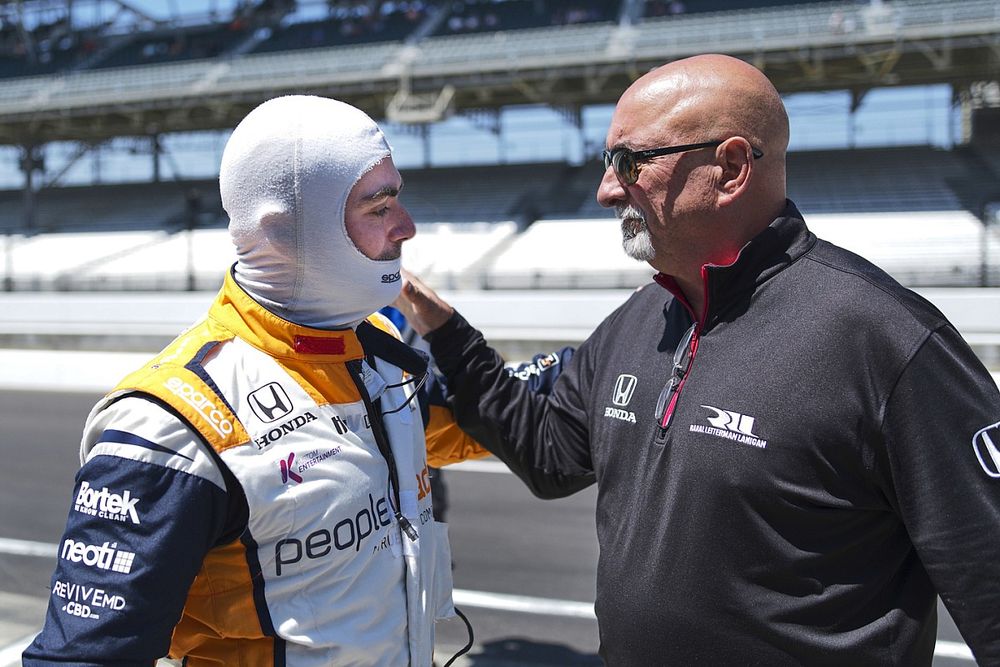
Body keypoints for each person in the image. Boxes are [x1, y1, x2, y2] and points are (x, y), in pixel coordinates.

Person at [393, 54, 1000, 665]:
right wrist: (447, 334)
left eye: (629, 162)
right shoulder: (639, 321)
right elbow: (547, 454)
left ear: (731, 167)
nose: (606, 190)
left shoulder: (886, 340)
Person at [24, 95, 485, 666]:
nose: (406, 227)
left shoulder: (382, 360)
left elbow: (506, 420)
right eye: (378, 206)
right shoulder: (173, 423)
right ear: (287, 229)